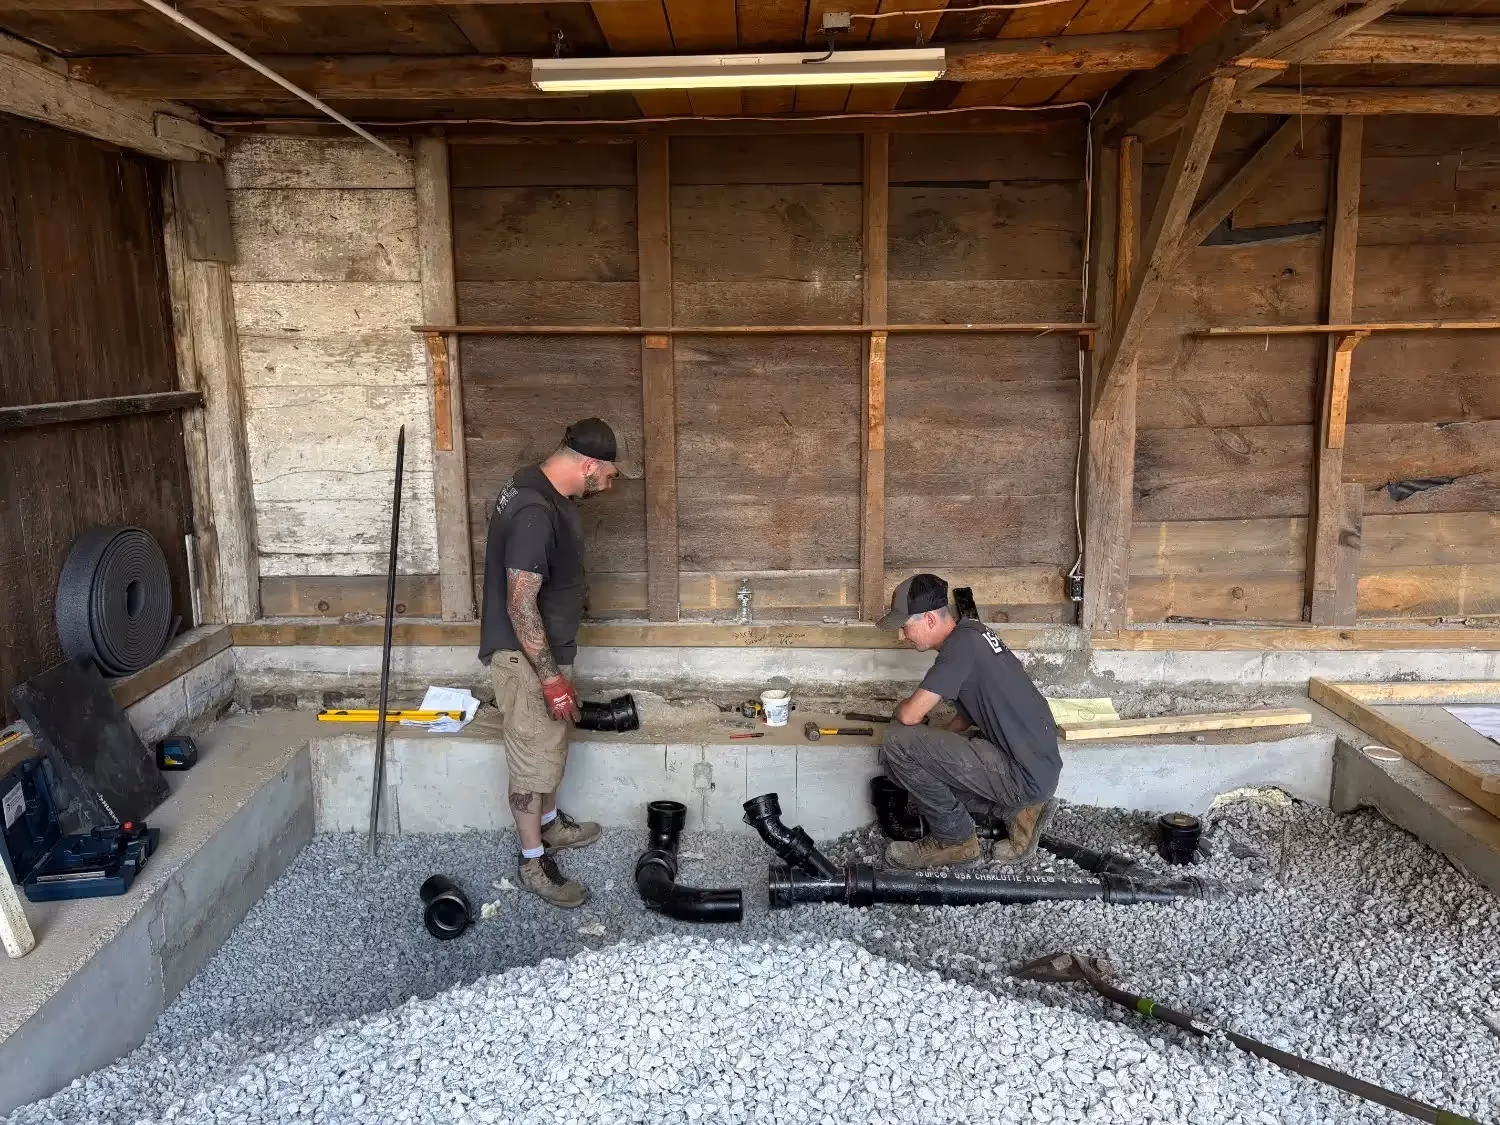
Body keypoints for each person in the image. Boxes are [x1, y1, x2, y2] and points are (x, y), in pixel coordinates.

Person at [478, 418, 638, 907]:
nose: (610, 485)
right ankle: (533, 862)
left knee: (547, 749)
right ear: (589, 464)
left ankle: (550, 826)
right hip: (527, 660)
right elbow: (520, 603)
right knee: (531, 764)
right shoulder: (533, 509)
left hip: (546, 653)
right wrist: (549, 678)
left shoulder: (536, 487)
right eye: (610, 474)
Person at [876, 573, 1061, 870]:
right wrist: (936, 750)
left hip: (1023, 774)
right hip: (1036, 765)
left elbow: (910, 716)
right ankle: (1019, 812)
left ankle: (955, 841)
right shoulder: (972, 633)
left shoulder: (959, 649)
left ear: (929, 619)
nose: (901, 636)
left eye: (904, 627)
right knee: (905, 757)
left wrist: (902, 711)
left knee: (898, 742)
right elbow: (965, 716)